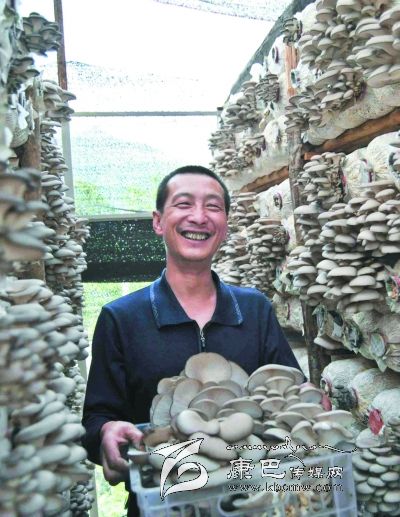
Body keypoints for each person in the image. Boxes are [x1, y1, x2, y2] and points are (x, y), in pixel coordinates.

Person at [82, 165, 303, 515]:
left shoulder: (254, 309)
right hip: (161, 501)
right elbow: (97, 417)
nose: (199, 217)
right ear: (158, 222)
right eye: (184, 204)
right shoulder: (121, 318)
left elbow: (291, 394)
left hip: (251, 501)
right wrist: (105, 432)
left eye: (213, 206)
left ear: (225, 226)